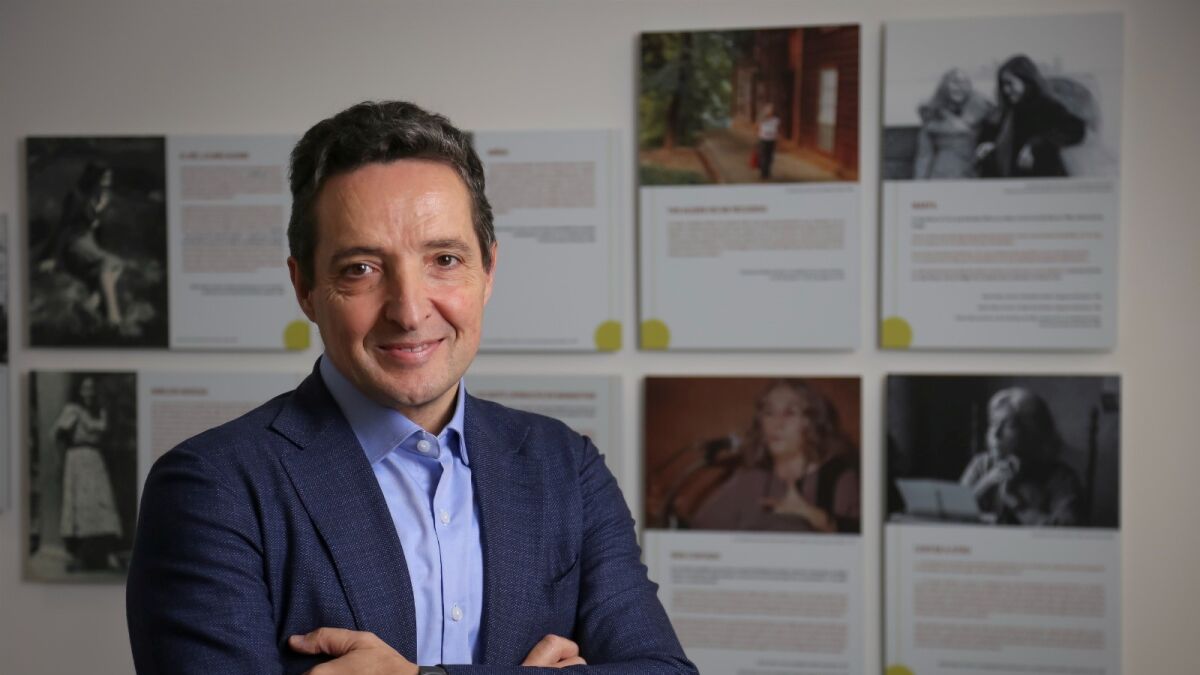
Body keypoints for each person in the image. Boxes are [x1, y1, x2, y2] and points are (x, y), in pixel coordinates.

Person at [126, 101, 695, 675]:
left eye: (444, 259)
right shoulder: (213, 487)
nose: (409, 310)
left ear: (488, 271)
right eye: (361, 269)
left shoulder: (565, 466)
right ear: (305, 288)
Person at [689, 380, 860, 533]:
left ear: (811, 422)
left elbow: (861, 542)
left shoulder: (837, 477)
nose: (776, 424)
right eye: (769, 413)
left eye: (790, 413)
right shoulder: (749, 480)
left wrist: (818, 519)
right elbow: (698, 533)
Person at [960, 387, 1083, 526]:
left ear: (1032, 432)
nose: (995, 434)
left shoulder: (1062, 478)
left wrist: (1016, 503)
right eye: (993, 424)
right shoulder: (981, 464)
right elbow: (950, 512)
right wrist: (985, 483)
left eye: (1009, 426)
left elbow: (1065, 531)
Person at [38, 163, 126, 327]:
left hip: (88, 241)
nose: (108, 181)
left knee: (118, 264)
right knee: (106, 263)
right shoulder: (76, 196)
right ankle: (113, 317)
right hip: (73, 242)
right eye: (105, 178)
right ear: (94, 177)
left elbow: (96, 228)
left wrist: (99, 209)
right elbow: (63, 227)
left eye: (109, 178)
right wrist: (52, 257)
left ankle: (91, 303)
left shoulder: (101, 196)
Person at [975, 54, 1086, 178]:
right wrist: (987, 144)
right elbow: (990, 134)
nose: (1006, 90)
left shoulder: (1045, 106)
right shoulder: (1004, 111)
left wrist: (1035, 145)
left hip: (1041, 180)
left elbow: (1076, 129)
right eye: (1003, 85)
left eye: (1010, 84)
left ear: (1026, 81)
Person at [56, 375, 123, 572]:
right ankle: (77, 556)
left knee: (103, 503)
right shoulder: (72, 410)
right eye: (85, 388)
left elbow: (105, 434)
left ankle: (109, 554)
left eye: (92, 388)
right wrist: (62, 460)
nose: (89, 392)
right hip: (77, 459)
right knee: (80, 505)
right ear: (79, 391)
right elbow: (59, 434)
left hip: (95, 458)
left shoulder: (100, 411)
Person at [913, 68, 993, 179]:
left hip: (971, 174)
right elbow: (924, 156)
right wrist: (919, 184)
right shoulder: (933, 116)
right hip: (941, 176)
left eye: (964, 82)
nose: (960, 86)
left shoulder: (981, 111)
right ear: (945, 86)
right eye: (955, 82)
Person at [756, 103, 780, 180]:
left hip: (772, 140)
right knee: (764, 157)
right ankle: (763, 173)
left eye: (771, 110)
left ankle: (768, 172)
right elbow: (758, 128)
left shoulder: (776, 120)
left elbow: (777, 130)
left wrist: (777, 140)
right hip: (764, 140)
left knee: (770, 157)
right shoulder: (762, 120)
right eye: (768, 110)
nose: (770, 111)